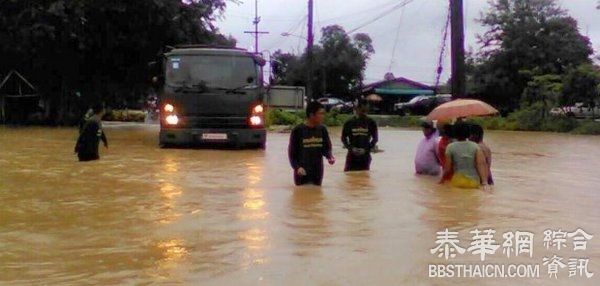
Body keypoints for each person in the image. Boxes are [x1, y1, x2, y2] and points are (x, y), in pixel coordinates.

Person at [288, 101, 336, 186]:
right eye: (320, 114)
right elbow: (292, 154)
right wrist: (297, 167)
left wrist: (330, 157)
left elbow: (327, 148)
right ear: (311, 115)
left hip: (317, 172)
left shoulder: (322, 130)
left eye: (323, 114)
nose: (323, 116)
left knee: (317, 195)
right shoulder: (298, 130)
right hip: (302, 172)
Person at [442, 123, 489, 189]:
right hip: (474, 181)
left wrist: (442, 179)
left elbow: (447, 168)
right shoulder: (476, 146)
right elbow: (481, 164)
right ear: (469, 133)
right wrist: (485, 182)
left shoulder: (450, 147)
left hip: (458, 181)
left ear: (455, 133)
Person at [341, 100, 378, 172]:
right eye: (362, 110)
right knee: (349, 177)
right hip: (352, 156)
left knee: (364, 179)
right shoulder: (349, 123)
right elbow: (343, 138)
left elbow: (375, 139)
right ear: (357, 109)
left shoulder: (371, 122)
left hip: (365, 156)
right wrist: (351, 148)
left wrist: (366, 149)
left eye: (365, 110)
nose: (364, 113)